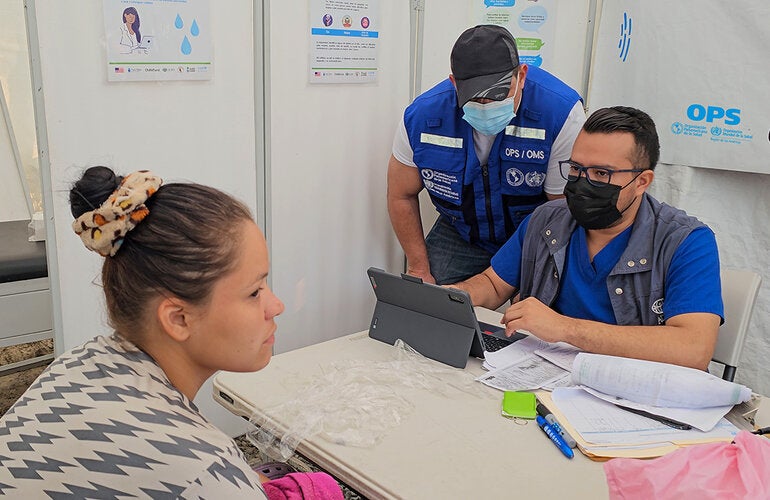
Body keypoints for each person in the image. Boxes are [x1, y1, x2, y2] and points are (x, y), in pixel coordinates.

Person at [0, 167, 290, 497]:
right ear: (178, 319)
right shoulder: (203, 472)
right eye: (254, 292)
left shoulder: (75, 364)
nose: (276, 306)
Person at [450, 106, 723, 370]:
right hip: (543, 375)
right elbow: (493, 284)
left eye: (601, 173)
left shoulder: (685, 242)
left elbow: (694, 349)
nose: (583, 183)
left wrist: (566, 328)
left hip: (630, 388)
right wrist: (450, 297)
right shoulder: (547, 220)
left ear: (642, 182)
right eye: (576, 168)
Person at [388, 24, 586, 285]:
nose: (486, 105)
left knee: (536, 304)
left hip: (535, 230)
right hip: (463, 231)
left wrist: (531, 280)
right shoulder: (422, 117)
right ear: (454, 83)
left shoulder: (560, 113)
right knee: (429, 301)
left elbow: (561, 208)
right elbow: (400, 194)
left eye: (498, 94)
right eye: (476, 98)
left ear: (521, 75)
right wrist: (418, 267)